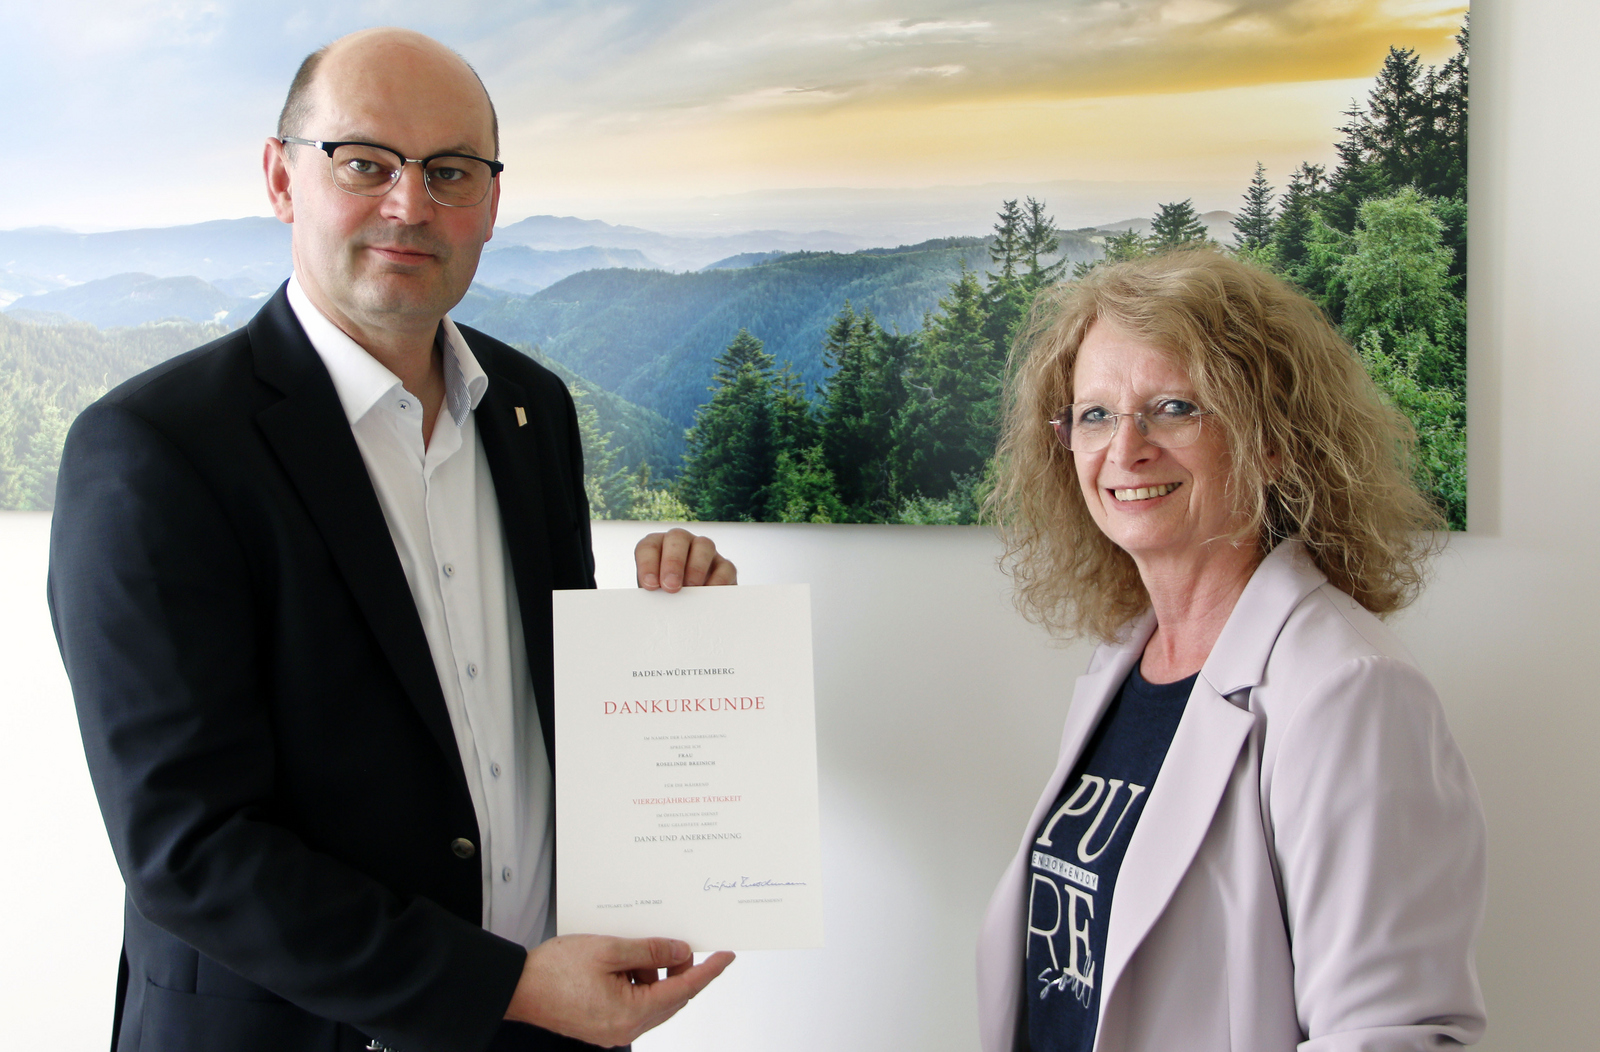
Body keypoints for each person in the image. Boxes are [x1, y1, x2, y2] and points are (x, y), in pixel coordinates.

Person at [49, 27, 735, 1052]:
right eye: (364, 162)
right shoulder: (154, 448)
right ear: (282, 178)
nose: (410, 205)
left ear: (492, 204)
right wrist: (504, 985)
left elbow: (526, 718)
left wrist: (672, 639)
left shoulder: (531, 409)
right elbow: (189, 847)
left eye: (450, 170)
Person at [976, 251, 1486, 1052]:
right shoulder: (1126, 661)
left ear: (1273, 440)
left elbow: (1390, 1035)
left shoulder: (1350, 690)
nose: (1125, 449)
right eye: (1095, 414)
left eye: (1173, 407)